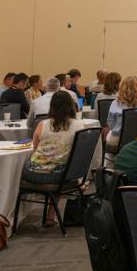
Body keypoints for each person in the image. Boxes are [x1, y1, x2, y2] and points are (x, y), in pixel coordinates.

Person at [23, 91, 89, 225]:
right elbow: (80, 156)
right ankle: (79, 183)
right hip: (58, 175)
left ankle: (49, 216)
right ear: (71, 106)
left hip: (32, 173)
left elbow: (34, 150)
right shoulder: (79, 125)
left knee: (58, 167)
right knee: (62, 168)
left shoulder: (42, 124)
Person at [105, 76, 137, 151]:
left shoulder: (115, 103)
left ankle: (111, 162)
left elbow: (111, 124)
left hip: (118, 140)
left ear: (121, 88)